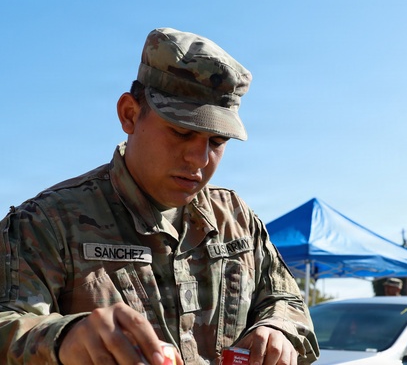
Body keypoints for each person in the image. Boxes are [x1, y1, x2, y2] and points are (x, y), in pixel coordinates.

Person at [0, 27, 319, 365]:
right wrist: (65, 337)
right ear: (130, 114)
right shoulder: (47, 223)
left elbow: (288, 302)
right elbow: (7, 321)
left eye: (217, 143)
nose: (199, 159)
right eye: (182, 132)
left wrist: (278, 329)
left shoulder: (236, 219)